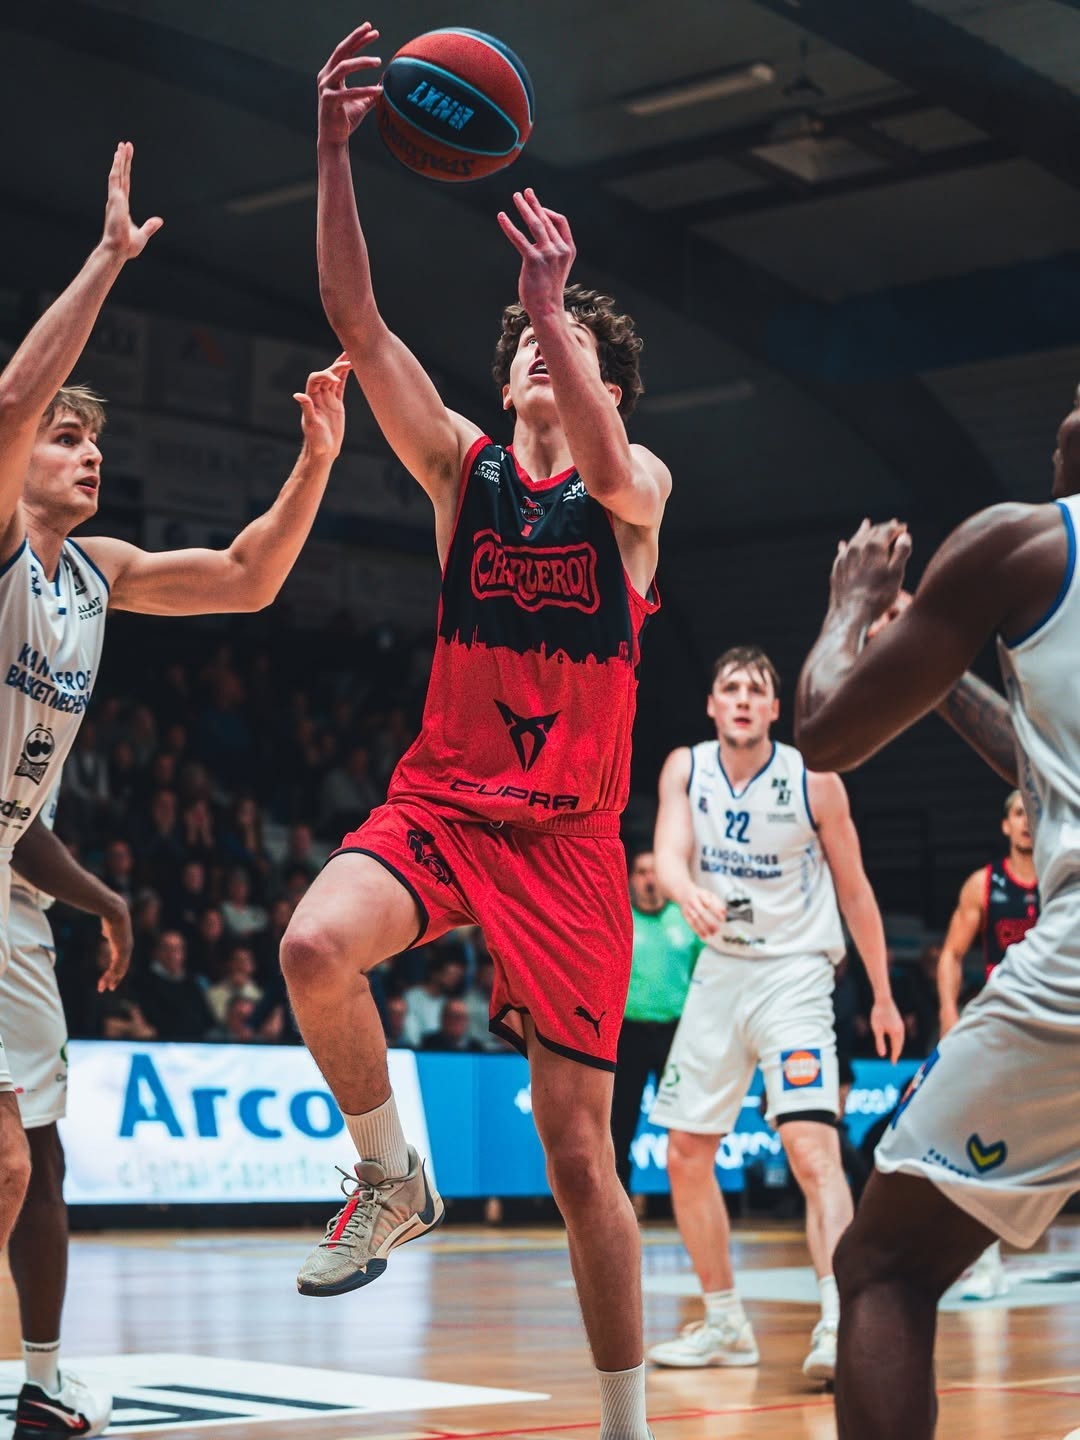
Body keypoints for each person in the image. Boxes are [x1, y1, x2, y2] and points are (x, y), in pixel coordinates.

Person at [279, 26, 670, 1440]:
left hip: (569, 847)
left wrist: (557, 310)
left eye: (568, 356)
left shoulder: (635, 488)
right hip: (447, 804)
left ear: (601, 384)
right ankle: (392, 1174)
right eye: (527, 352)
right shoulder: (464, 471)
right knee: (313, 946)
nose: (542, 364)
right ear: (504, 384)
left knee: (578, 1159)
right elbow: (360, 323)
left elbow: (614, 466)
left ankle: (626, 1426)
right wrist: (334, 152)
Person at [0, 142, 348, 1439]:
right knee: (4, 1156)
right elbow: (9, 395)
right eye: (68, 438)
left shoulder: (99, 576)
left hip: (10, 888)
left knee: (42, 1155)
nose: (89, 454)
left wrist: (315, 461)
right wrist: (107, 260)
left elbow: (249, 577)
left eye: (98, 439)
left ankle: (44, 1380)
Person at [793, 386, 1080, 1438]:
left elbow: (825, 732)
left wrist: (853, 604)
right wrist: (946, 667)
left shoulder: (1023, 542)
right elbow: (1044, 770)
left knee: (884, 1266)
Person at [647, 646, 904, 1382]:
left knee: (810, 1149)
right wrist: (683, 891)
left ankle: (841, 1321)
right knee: (685, 1153)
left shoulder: (814, 779)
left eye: (755, 690)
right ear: (711, 704)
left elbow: (856, 891)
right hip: (720, 972)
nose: (742, 700)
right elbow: (668, 854)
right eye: (730, 688)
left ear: (774, 709)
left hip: (796, 974)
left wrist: (883, 994)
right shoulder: (685, 767)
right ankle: (725, 1322)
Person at [935, 790, 1039, 1303]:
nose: (1026, 822)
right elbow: (951, 955)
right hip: (1003, 1027)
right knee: (984, 1142)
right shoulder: (984, 883)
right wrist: (948, 1013)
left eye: (1033, 812)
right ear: (1005, 825)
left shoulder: (1065, 882)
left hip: (1057, 1025)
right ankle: (987, 1262)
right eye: (1018, 813)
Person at [610, 849, 699, 1200]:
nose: (649, 879)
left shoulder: (686, 919)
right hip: (627, 1034)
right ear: (632, 878)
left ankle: (690, 1201)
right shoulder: (620, 920)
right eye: (642, 872)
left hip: (676, 1034)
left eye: (655, 872)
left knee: (684, 1123)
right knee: (620, 1122)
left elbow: (707, 977)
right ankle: (617, 1205)